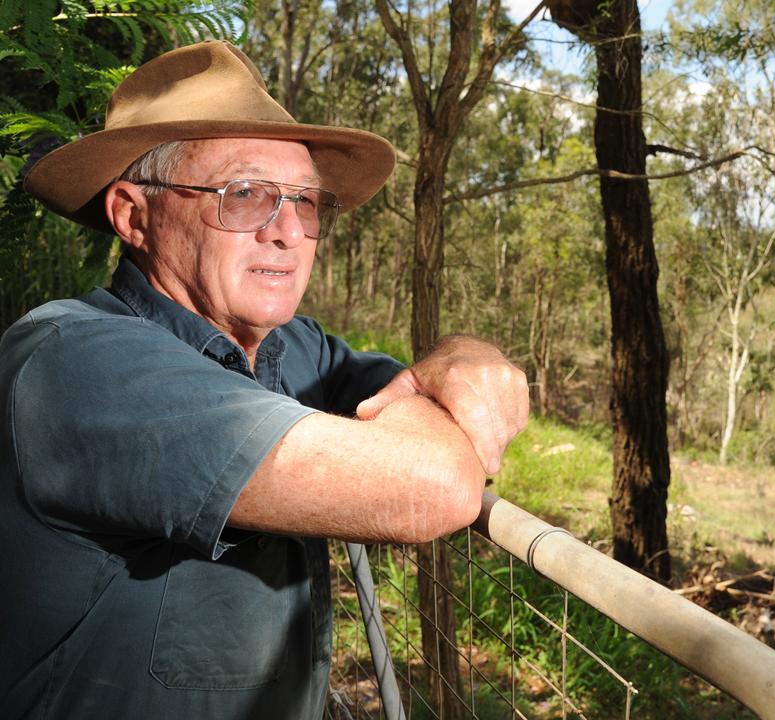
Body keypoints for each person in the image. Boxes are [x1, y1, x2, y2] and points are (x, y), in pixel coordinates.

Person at [0, 40, 529, 719]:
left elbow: (416, 387)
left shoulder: (292, 348)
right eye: (244, 194)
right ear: (135, 216)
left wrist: (461, 354)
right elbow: (429, 489)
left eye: (307, 202)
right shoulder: (75, 362)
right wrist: (436, 430)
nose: (288, 231)